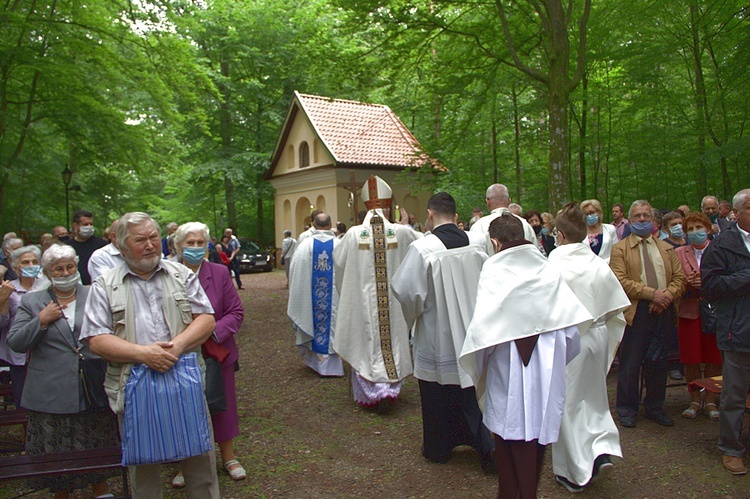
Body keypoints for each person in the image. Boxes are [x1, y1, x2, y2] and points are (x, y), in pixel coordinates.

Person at [80, 212, 220, 498]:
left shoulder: (181, 275)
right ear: (121, 246)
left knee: (200, 459)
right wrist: (144, 354)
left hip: (185, 378)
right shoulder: (105, 285)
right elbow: (95, 340)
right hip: (131, 383)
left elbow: (206, 318)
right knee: (143, 465)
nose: (150, 245)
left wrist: (178, 346)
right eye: (140, 239)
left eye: (154, 237)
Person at [459, 213, 591, 499]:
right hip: (544, 369)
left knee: (506, 436)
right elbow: (571, 335)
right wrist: (550, 363)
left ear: (494, 242)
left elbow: (483, 336)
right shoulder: (548, 268)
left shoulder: (492, 270)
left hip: (506, 368)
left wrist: (481, 370)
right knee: (535, 436)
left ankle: (510, 492)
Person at [392, 192, 494, 471]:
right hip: (474, 329)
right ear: (456, 215)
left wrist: (413, 321)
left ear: (430, 214)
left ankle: (439, 447)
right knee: (472, 388)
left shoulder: (423, 249)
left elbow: (407, 292)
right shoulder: (477, 241)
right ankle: (486, 447)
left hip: (439, 333)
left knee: (438, 389)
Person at [7, 244, 118, 499]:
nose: (66, 272)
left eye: (70, 267)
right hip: (50, 389)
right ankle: (62, 492)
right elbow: (16, 342)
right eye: (59, 268)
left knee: (96, 438)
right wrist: (41, 320)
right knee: (56, 444)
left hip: (92, 383)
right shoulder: (33, 301)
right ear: (48, 272)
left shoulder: (94, 294)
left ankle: (100, 490)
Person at [548, 204, 631, 492]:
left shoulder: (553, 263)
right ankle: (599, 452)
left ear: (559, 234)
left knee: (567, 403)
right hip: (596, 336)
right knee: (594, 399)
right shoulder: (596, 262)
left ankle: (573, 471)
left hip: (567, 340)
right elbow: (613, 306)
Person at [333, 175, 421, 412]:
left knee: (365, 339)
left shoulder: (352, 235)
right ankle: (390, 389)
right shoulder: (401, 233)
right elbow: (424, 248)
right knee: (391, 338)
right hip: (393, 303)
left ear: (365, 205)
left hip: (363, 302)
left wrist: (350, 289)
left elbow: (339, 265)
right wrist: (405, 225)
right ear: (387, 203)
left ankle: (372, 390)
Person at [171, 222, 246, 487]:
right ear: (178, 247)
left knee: (222, 404)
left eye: (199, 243)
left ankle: (228, 456)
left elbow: (235, 313)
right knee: (184, 408)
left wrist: (210, 333)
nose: (194, 248)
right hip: (179, 352)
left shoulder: (220, 272)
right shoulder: (167, 274)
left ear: (206, 246)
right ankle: (187, 463)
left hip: (216, 350)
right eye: (189, 243)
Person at [609, 200, 687, 428]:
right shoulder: (620, 249)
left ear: (653, 221)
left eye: (645, 216)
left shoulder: (666, 248)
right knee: (630, 362)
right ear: (630, 220)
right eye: (637, 217)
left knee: (659, 361)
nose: (642, 220)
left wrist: (665, 297)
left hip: (663, 309)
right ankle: (627, 409)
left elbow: (680, 279)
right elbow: (620, 281)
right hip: (636, 311)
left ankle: (655, 406)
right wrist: (652, 294)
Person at [701, 188, 750, 475]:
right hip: (737, 331)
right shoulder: (721, 245)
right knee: (733, 395)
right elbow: (712, 286)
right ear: (737, 212)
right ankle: (731, 448)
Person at [674, 211, 722, 421]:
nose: (695, 232)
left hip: (715, 311)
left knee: (714, 357)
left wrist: (707, 283)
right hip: (689, 311)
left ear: (708, 229)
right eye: (690, 229)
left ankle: (711, 400)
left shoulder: (719, 250)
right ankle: (694, 399)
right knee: (691, 358)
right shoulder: (679, 253)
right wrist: (688, 283)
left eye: (699, 228)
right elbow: (674, 279)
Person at [287, 213, 344, 377]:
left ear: (313, 224)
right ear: (330, 224)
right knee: (333, 324)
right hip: (334, 299)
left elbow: (296, 273)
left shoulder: (305, 245)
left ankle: (317, 363)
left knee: (314, 321)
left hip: (312, 299)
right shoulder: (339, 244)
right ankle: (333, 365)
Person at [0, 245, 50, 406]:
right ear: (16, 267)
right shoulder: (9, 289)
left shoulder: (48, 286)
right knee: (23, 400)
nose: (31, 266)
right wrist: (3, 299)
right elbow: (3, 323)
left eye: (34, 262)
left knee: (46, 398)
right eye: (25, 262)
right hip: (19, 356)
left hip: (45, 351)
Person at [470, 183, 537, 255]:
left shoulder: (478, 227)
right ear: (509, 201)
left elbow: (474, 256)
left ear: (487, 202)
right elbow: (535, 254)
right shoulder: (525, 224)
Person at [66, 210, 108, 285]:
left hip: (99, 285)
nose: (89, 227)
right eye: (85, 224)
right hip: (75, 287)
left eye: (91, 224)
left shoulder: (102, 244)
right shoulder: (67, 247)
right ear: (75, 226)